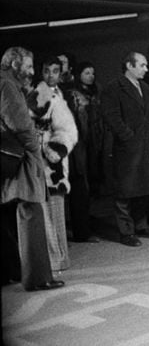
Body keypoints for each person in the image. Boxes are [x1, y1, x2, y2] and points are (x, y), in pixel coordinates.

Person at [1, 47, 64, 291]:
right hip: (22, 156)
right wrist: (36, 150)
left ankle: (14, 273)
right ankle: (37, 278)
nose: (31, 71)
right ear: (15, 65)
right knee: (31, 213)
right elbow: (20, 124)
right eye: (28, 66)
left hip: (9, 156)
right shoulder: (7, 85)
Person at [101, 52, 149, 247]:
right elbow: (111, 116)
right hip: (126, 147)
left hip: (146, 145)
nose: (146, 69)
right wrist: (127, 136)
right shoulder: (114, 88)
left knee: (144, 188)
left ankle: (141, 225)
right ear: (129, 65)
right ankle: (126, 232)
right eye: (142, 65)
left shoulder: (145, 87)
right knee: (125, 192)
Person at [31, 57, 79, 271]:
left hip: (58, 157)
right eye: (47, 71)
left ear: (61, 73)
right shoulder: (37, 95)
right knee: (49, 209)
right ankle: (55, 259)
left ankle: (59, 258)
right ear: (41, 72)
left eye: (55, 71)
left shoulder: (61, 94)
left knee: (56, 207)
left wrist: (60, 149)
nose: (51, 75)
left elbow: (69, 128)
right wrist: (51, 149)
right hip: (45, 159)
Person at [65, 61, 104, 242]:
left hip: (94, 143)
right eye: (87, 72)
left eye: (93, 73)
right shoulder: (73, 95)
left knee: (94, 186)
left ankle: (91, 225)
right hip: (79, 145)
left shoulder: (96, 93)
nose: (91, 76)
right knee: (81, 185)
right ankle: (82, 230)